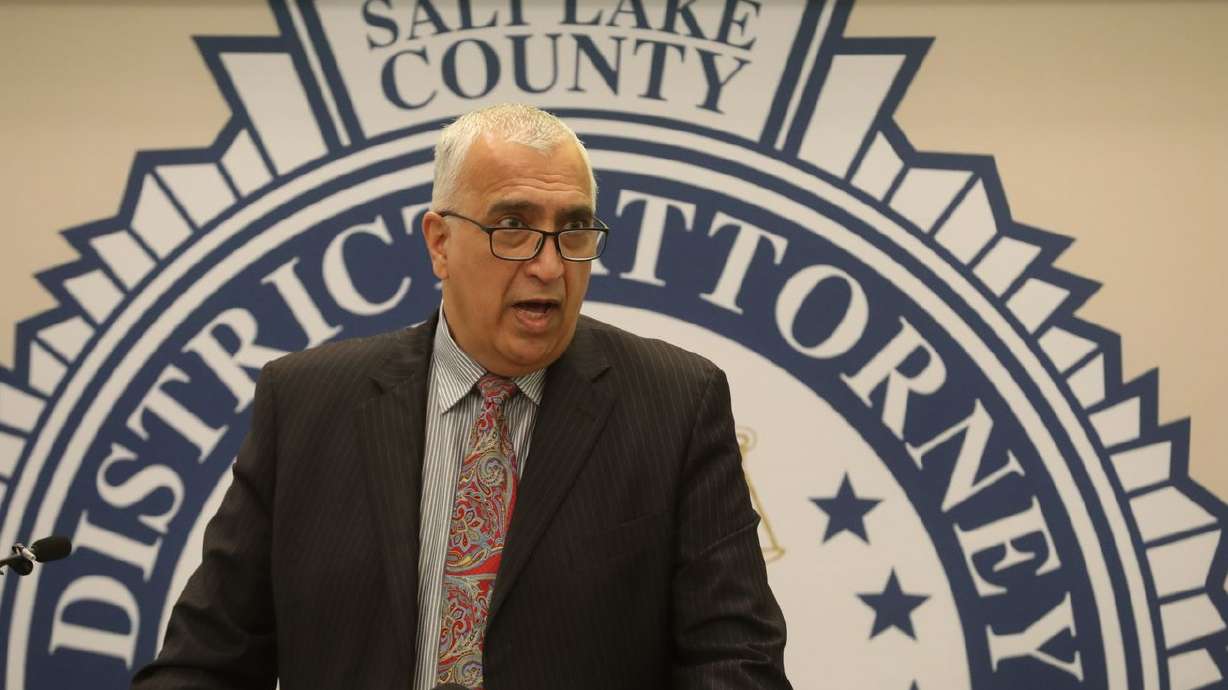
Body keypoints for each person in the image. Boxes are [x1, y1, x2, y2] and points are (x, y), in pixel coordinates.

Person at [132, 103, 790, 690]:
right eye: (514, 226)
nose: (550, 265)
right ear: (440, 243)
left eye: (575, 230)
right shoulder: (306, 403)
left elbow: (732, 664)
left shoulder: (675, 404)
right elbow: (208, 661)